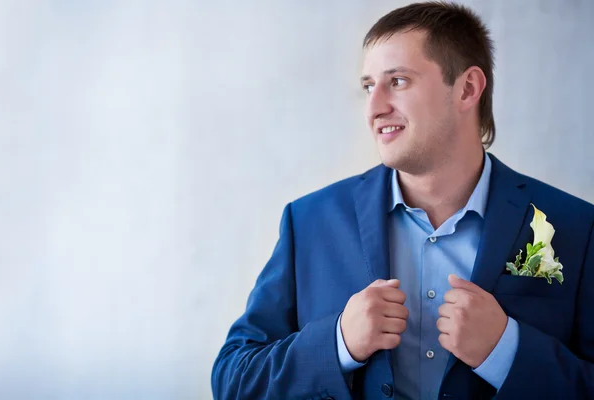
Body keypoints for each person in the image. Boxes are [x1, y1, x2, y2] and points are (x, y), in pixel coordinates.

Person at [211, 2, 594, 399]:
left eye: (398, 81)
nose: (374, 108)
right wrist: (338, 343)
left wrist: (507, 352)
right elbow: (233, 381)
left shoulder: (575, 227)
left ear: (466, 88)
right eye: (367, 86)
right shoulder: (308, 222)